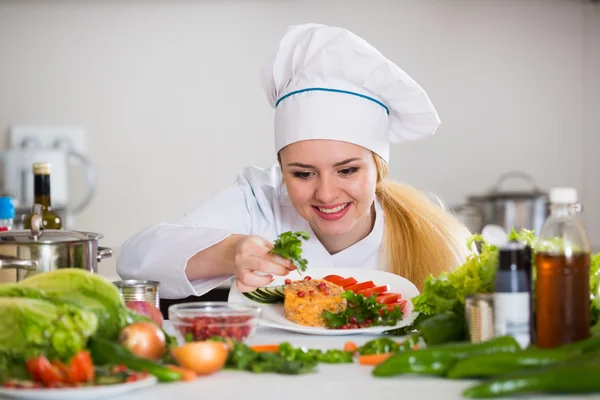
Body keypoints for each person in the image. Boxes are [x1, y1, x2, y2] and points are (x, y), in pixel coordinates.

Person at [117, 23, 471, 299]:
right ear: (282, 169)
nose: (327, 194)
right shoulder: (260, 203)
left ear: (379, 167)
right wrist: (231, 252)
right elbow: (135, 262)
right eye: (303, 173)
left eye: (347, 170)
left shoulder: (427, 237)